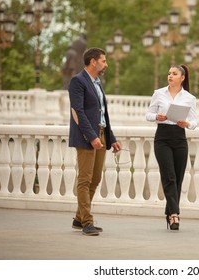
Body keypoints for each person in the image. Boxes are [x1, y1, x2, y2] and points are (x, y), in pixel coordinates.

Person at [68, 47, 121, 236]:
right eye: (103, 61)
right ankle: (87, 222)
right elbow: (78, 112)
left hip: (102, 135)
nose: (106, 64)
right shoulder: (77, 81)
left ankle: (78, 218)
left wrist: (111, 139)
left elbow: (103, 114)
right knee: (85, 179)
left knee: (96, 178)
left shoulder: (97, 83)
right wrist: (92, 137)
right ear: (93, 62)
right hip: (87, 137)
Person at [146, 65, 197, 230]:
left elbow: (194, 122)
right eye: (169, 73)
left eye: (174, 74)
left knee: (179, 178)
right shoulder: (158, 93)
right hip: (162, 137)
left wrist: (187, 123)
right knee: (169, 176)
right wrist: (156, 117)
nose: (170, 76)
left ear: (182, 77)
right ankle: (175, 215)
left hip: (180, 138)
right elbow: (148, 114)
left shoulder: (189, 98)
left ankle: (169, 213)